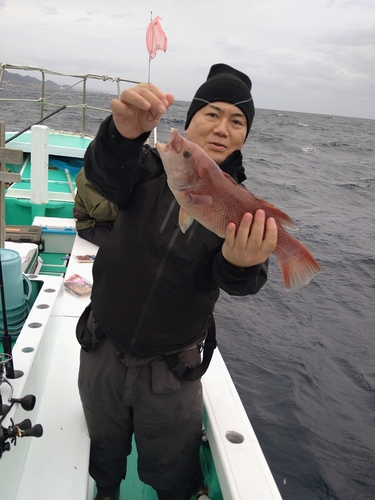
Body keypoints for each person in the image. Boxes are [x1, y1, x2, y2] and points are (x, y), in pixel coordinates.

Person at [77, 63, 278, 500]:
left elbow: (242, 282)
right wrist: (121, 135)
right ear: (190, 120)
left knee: (173, 471)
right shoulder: (149, 166)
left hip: (172, 370)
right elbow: (105, 175)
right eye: (212, 113)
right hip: (103, 348)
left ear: (245, 135)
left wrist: (240, 264)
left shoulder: (241, 204)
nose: (223, 128)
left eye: (237, 120)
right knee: (101, 455)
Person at [73, 167, 118, 246]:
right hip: (92, 224)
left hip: (116, 219)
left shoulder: (122, 168)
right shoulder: (87, 176)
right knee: (121, 248)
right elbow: (99, 211)